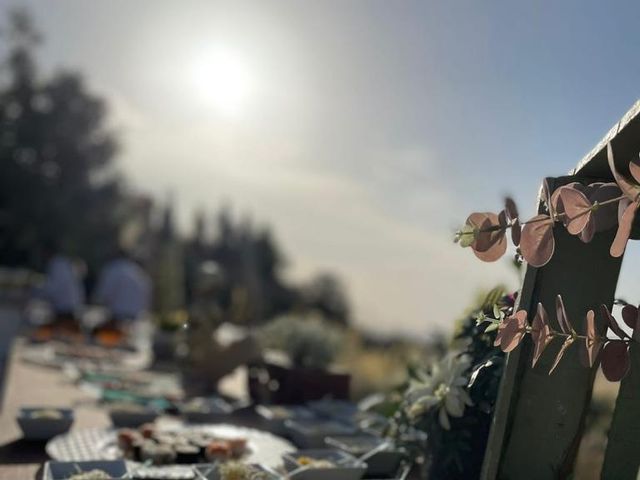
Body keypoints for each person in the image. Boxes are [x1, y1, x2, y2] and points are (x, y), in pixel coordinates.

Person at [94, 249, 151, 325]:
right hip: (137, 319)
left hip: (118, 317)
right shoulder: (137, 271)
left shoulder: (113, 269)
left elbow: (103, 295)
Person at [36, 242, 85, 327]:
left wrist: (36, 293)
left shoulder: (57, 266)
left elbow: (52, 289)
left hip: (65, 309)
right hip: (70, 307)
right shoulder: (62, 263)